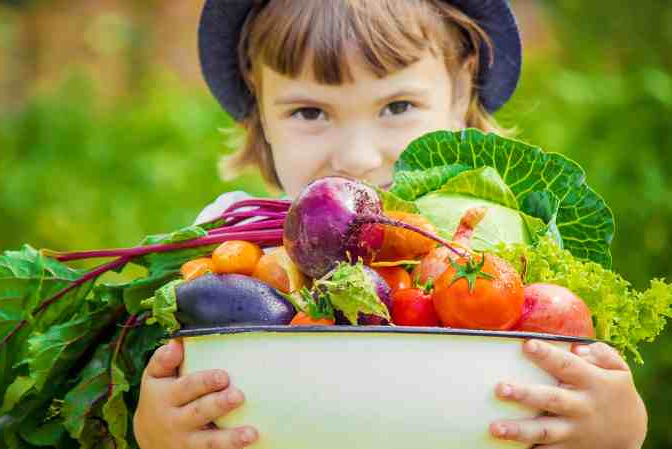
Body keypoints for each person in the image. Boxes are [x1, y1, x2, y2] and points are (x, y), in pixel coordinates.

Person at [133, 1, 648, 448]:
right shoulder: (228, 244)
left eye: (397, 106)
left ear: (461, 87)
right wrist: (158, 432)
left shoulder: (511, 252)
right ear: (260, 106)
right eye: (309, 112)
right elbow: (182, 393)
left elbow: (561, 395)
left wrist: (617, 431)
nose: (357, 157)